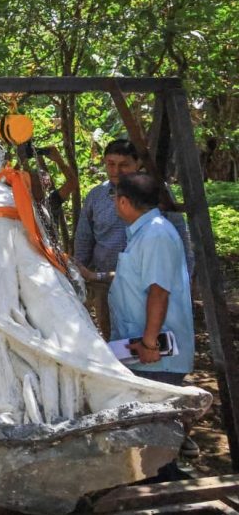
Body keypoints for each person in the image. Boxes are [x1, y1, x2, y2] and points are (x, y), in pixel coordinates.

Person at [0, 142, 208, 427]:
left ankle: (112, 392)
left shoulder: (11, 185)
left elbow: (39, 229)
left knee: (63, 318)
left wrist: (65, 270)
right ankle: (6, 410)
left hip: (23, 245)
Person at [108, 172, 199, 457]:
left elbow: (159, 292)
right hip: (140, 349)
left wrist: (149, 343)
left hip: (156, 356)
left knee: (155, 441)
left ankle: (165, 476)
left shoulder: (155, 234)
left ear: (124, 201)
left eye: (115, 198)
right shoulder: (145, 232)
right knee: (149, 437)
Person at [75, 138, 194, 340]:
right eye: (111, 164)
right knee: (116, 339)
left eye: (124, 165)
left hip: (147, 284)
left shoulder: (154, 196)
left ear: (137, 163)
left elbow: (181, 238)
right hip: (105, 282)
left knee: (148, 330)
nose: (116, 171)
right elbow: (84, 239)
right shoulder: (96, 195)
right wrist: (81, 274)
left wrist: (186, 279)